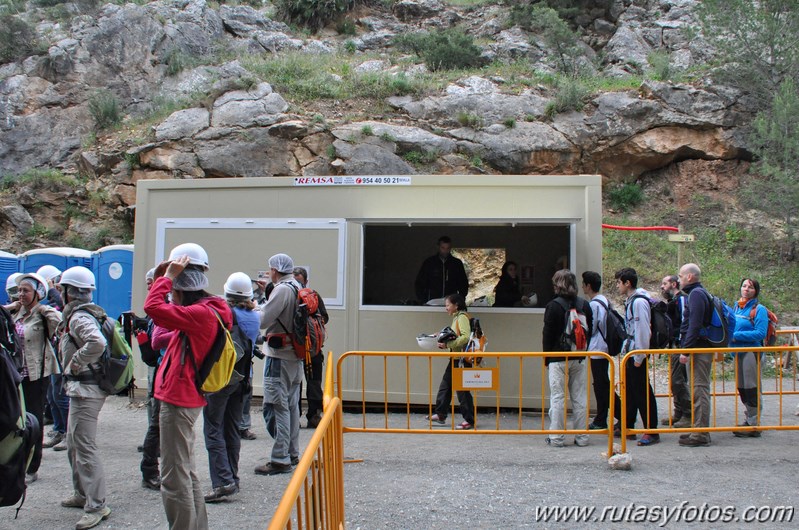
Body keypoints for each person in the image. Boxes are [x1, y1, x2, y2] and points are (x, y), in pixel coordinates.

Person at [144, 243, 232, 529]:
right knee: (185, 470)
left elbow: (152, 308)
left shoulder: (199, 315)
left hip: (179, 399)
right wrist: (165, 277)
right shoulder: (206, 310)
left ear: (181, 285)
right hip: (186, 396)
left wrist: (165, 277)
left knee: (173, 475)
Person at [57, 266, 112, 530]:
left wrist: (76, 363)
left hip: (86, 391)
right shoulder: (86, 313)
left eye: (62, 289)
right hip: (82, 390)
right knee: (73, 442)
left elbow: (97, 343)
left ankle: (96, 505)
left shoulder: (79, 318)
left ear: (70, 292)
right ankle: (82, 494)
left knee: (84, 446)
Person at [202, 272, 260, 503]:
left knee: (213, 428)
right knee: (232, 428)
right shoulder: (254, 317)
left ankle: (222, 481)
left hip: (220, 379)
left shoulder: (223, 314)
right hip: (242, 379)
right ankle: (232, 478)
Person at [6, 272, 62, 483]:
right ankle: (16, 461)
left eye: (26, 290)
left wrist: (42, 307)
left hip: (35, 376)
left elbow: (60, 321)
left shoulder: (42, 313)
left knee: (34, 420)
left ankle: (32, 467)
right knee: (17, 420)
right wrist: (12, 308)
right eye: (19, 290)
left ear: (37, 293)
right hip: (16, 375)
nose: (21, 294)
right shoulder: (16, 314)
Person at [255, 253, 303, 475]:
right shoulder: (296, 286)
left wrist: (253, 306)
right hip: (295, 355)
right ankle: (292, 453)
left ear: (275, 269)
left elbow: (264, 320)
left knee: (277, 406)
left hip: (279, 355)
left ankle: (280, 458)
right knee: (292, 406)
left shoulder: (282, 289)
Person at [542, 270, 592, 447]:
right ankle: (582, 437)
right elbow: (589, 332)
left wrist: (546, 357)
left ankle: (556, 438)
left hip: (558, 357)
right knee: (579, 397)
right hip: (579, 356)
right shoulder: (584, 305)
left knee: (558, 398)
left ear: (557, 284)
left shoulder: (554, 306)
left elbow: (547, 335)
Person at [615, 267, 659, 446]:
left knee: (642, 391)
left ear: (628, 283)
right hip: (630, 352)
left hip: (636, 353)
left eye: (619, 282)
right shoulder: (631, 301)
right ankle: (629, 425)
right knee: (630, 391)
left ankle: (651, 429)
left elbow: (642, 331)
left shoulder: (639, 303)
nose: (617, 286)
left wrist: (639, 356)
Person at [425, 293, 475, 430]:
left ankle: (469, 420)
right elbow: (454, 337)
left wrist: (448, 345)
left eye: (447, 305)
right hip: (455, 358)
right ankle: (441, 414)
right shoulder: (457, 318)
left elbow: (465, 338)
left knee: (462, 390)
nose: (446, 308)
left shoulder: (462, 317)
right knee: (445, 386)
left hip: (462, 360)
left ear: (456, 305)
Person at [677, 263, 713, 448]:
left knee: (699, 389)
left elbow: (694, 325)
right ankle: (697, 429)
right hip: (697, 348)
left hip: (699, 349)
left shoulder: (696, 294)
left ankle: (700, 433)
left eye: (681, 275)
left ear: (690, 277)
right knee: (697, 388)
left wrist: (686, 350)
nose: (679, 278)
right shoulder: (696, 293)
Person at [581, 271, 621, 431]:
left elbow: (592, 327)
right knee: (601, 383)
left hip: (598, 348)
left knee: (602, 385)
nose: (582, 286)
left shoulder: (594, 305)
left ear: (588, 286)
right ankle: (601, 417)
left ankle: (622, 415)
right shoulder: (604, 300)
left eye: (583, 283)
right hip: (603, 347)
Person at [730, 278, 768, 438]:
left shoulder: (759, 310)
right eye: (744, 286)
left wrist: (736, 336)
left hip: (751, 353)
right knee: (742, 387)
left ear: (756, 291)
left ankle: (754, 423)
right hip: (737, 354)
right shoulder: (736, 308)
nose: (746, 289)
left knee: (751, 387)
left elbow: (760, 333)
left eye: (750, 287)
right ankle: (750, 419)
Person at [139, 267, 166, 491]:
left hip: (163, 369)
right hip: (161, 369)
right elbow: (157, 341)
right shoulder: (159, 308)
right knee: (157, 424)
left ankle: (155, 467)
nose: (149, 285)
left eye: (152, 281)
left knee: (160, 424)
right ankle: (149, 470)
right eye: (148, 282)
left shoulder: (163, 305)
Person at [293, 266, 329, 429]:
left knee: (295, 384)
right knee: (314, 382)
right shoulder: (314, 295)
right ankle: (314, 416)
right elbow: (325, 318)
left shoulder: (290, 295)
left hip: (295, 347)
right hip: (314, 349)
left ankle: (294, 417)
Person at [660, 274, 691, 428]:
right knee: (675, 380)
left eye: (664, 283)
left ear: (673, 284)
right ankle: (679, 412)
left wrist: (683, 345)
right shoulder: (673, 301)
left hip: (680, 345)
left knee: (678, 380)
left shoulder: (682, 299)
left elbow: (686, 322)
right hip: (674, 346)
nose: (662, 287)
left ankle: (688, 413)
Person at [414, 236, 469, 303]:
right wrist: (422, 300)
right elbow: (420, 283)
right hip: (431, 302)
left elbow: (463, 283)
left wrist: (461, 298)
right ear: (438, 247)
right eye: (443, 248)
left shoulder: (456, 264)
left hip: (451, 302)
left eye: (448, 248)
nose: (445, 251)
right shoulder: (429, 263)